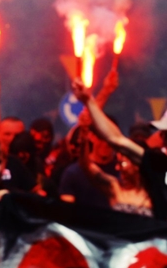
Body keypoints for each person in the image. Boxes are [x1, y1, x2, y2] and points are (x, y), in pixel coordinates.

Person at [71, 78, 167, 220]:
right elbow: (117, 140)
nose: (162, 139)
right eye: (163, 135)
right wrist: (89, 101)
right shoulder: (159, 164)